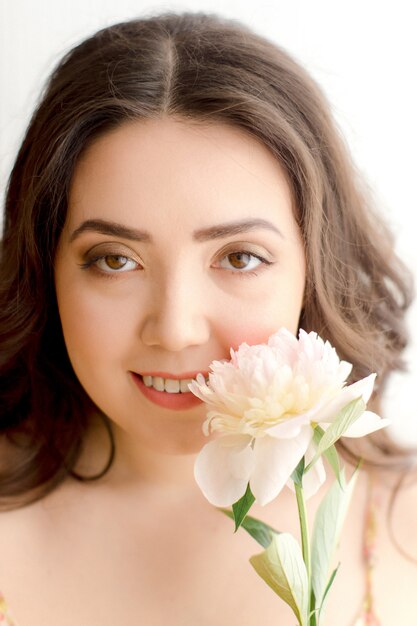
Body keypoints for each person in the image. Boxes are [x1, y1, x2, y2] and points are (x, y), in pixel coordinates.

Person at [0, 11, 415, 626]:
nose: (175, 328)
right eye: (115, 260)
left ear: (313, 266)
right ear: (45, 269)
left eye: (239, 258)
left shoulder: (404, 522)